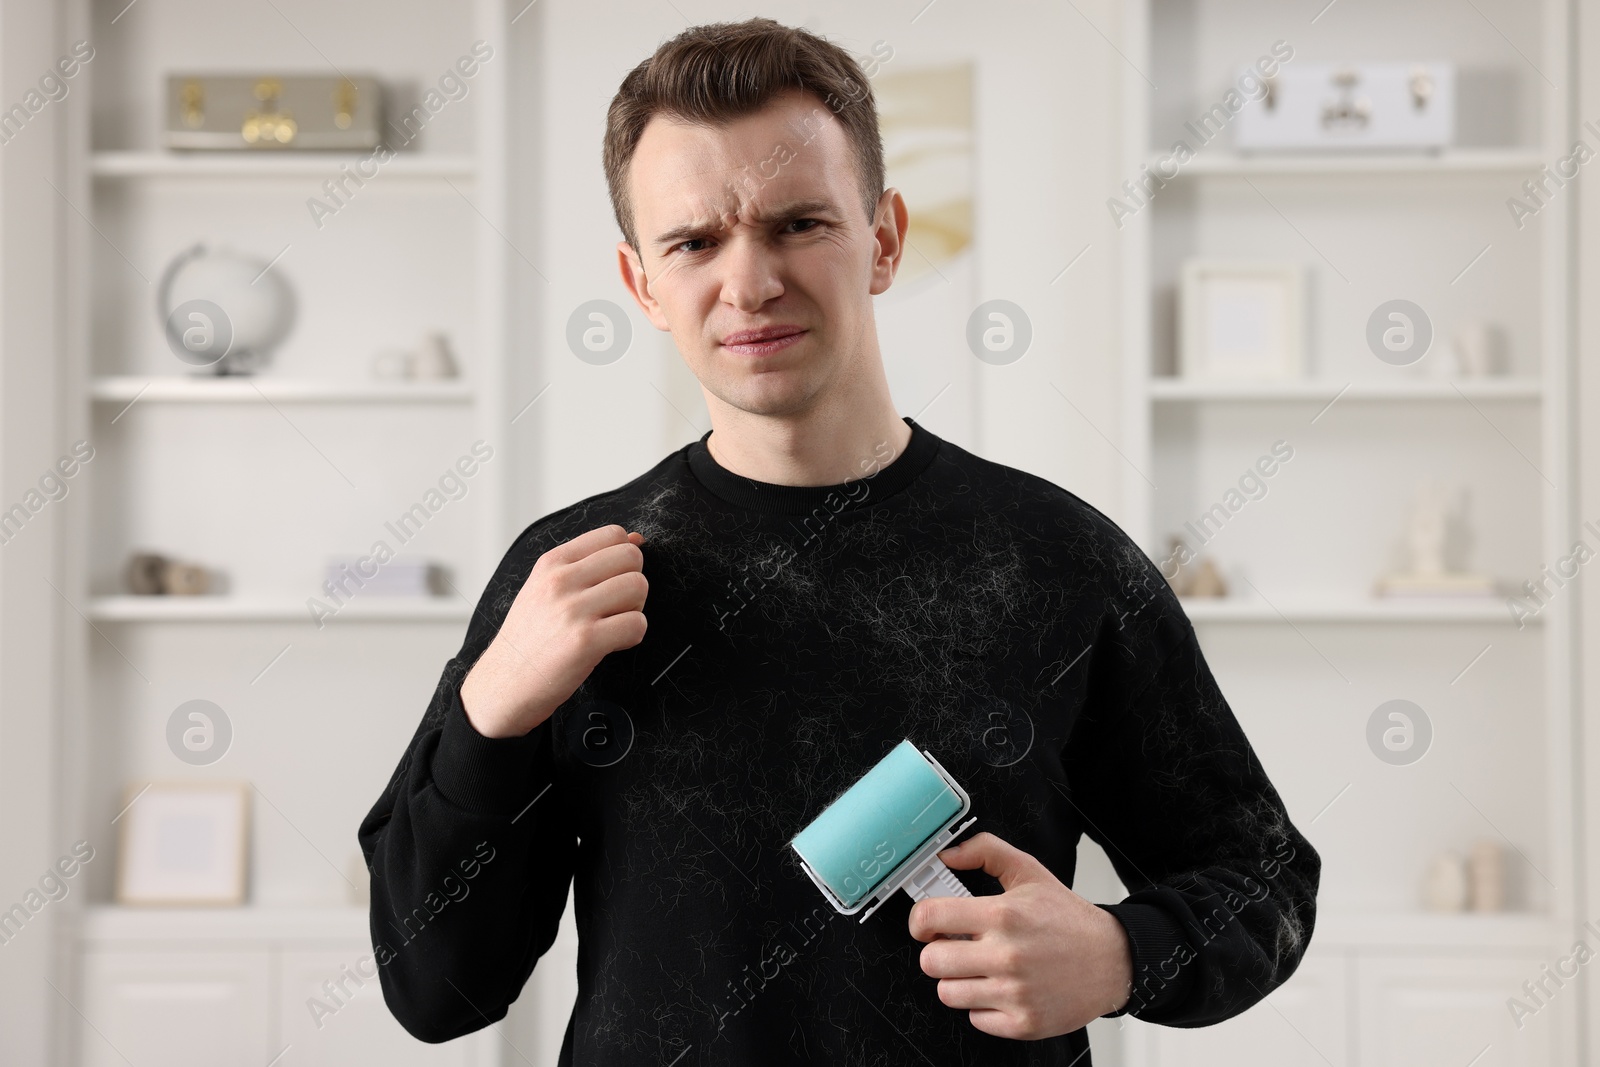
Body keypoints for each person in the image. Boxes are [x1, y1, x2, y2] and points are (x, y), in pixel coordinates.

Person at [358, 17, 1319, 1066]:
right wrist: (489, 716)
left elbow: (1263, 875)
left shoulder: (1059, 560)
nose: (751, 281)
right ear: (641, 283)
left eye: (798, 223)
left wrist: (1122, 953)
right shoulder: (569, 577)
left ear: (885, 239)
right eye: (693, 241)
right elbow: (435, 988)